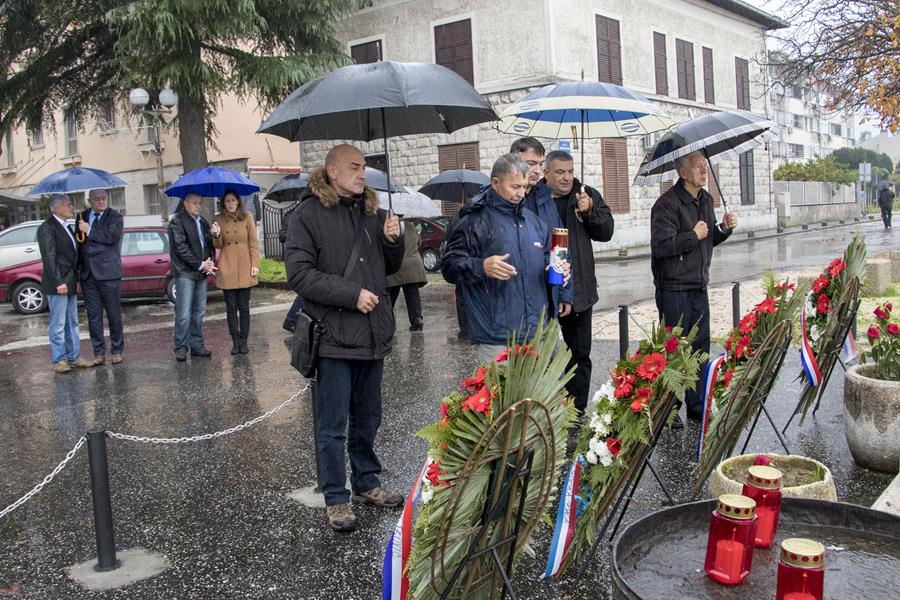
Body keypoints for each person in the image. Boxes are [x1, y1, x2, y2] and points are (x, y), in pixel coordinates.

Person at [284, 144, 405, 532]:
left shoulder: (372, 213)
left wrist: (393, 240)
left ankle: (367, 482)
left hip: (372, 335)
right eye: (354, 167)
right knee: (332, 425)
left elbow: (389, 268)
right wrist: (351, 295)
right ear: (332, 171)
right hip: (334, 337)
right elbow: (299, 274)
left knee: (368, 418)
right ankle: (336, 497)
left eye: (364, 167)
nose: (362, 173)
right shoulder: (307, 215)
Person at [442, 154, 569, 364]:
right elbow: (449, 266)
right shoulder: (474, 220)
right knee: (500, 387)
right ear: (495, 183)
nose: (521, 194)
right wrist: (481, 266)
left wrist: (556, 269)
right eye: (515, 187)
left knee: (547, 387)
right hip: (497, 337)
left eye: (525, 187)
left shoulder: (535, 222)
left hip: (538, 332)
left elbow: (548, 258)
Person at [650, 151, 736, 428]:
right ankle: (669, 408)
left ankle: (697, 405)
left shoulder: (706, 200)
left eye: (704, 167)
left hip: (699, 285)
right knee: (675, 350)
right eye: (698, 167)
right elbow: (661, 247)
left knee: (700, 348)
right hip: (674, 288)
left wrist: (723, 229)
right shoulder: (666, 205)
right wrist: (692, 235)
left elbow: (707, 240)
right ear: (683, 172)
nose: (703, 171)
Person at [537, 150, 614, 416]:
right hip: (543, 289)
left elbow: (607, 232)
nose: (567, 177)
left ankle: (575, 412)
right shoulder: (535, 198)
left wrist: (590, 211)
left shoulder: (585, 194)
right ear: (546, 173)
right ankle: (547, 409)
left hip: (579, 288)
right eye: (560, 172)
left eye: (570, 171)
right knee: (541, 354)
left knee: (579, 353)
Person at [38, 194, 95, 373]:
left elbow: (71, 256)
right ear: (56, 208)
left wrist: (74, 280)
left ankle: (74, 357)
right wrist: (59, 282)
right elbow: (49, 257)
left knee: (72, 322)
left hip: (69, 281)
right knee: (58, 323)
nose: (72, 207)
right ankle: (59, 360)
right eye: (68, 205)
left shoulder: (67, 226)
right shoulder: (47, 228)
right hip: (59, 283)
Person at [78, 188, 125, 365]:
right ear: (90, 201)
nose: (101, 202)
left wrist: (89, 230)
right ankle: (98, 352)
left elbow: (111, 237)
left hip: (108, 272)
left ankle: (117, 350)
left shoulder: (115, 216)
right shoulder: (82, 216)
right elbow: (79, 244)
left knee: (113, 314)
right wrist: (77, 271)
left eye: (104, 198)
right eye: (97, 199)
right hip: (88, 274)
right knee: (93, 316)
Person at [168, 192, 217, 362]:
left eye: (200, 203)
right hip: (184, 273)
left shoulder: (202, 222)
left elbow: (208, 246)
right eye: (195, 203)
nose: (198, 206)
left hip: (201, 272)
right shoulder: (177, 222)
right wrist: (200, 264)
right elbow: (181, 248)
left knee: (199, 311)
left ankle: (196, 345)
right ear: (185, 203)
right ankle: (181, 348)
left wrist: (215, 237)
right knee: (183, 312)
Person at [212, 189, 260, 354]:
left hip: (245, 265)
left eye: (233, 200)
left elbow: (253, 242)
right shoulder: (218, 219)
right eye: (227, 201)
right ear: (223, 203)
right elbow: (218, 246)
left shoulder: (247, 216)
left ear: (238, 201)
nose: (231, 203)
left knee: (244, 307)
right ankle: (235, 340)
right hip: (228, 267)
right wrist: (216, 235)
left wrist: (255, 263)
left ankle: (244, 340)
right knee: (231, 307)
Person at [387, 217, 427, 331]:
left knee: (390, 297)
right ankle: (417, 320)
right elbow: (419, 242)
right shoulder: (410, 226)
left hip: (396, 266)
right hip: (412, 266)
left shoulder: (390, 227)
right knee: (412, 295)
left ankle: (388, 322)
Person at [279, 202, 304, 333]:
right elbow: (282, 236)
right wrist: (296, 230)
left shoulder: (311, 213)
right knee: (306, 290)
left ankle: (292, 320)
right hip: (296, 257)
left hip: (308, 255)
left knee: (307, 290)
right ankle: (291, 320)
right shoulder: (290, 215)